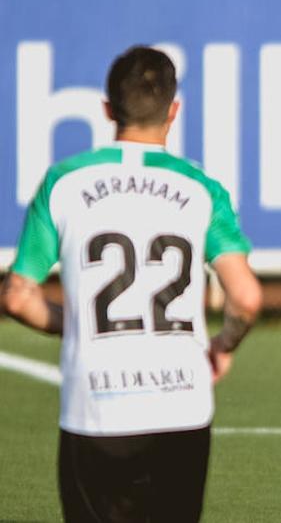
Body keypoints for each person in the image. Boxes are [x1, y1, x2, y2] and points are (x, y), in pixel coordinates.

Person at [1, 46, 261, 523]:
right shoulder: (201, 188)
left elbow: (18, 296)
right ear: (174, 112)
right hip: (181, 407)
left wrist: (74, 323)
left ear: (106, 110)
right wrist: (223, 344)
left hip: (95, 411)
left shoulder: (63, 182)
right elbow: (246, 297)